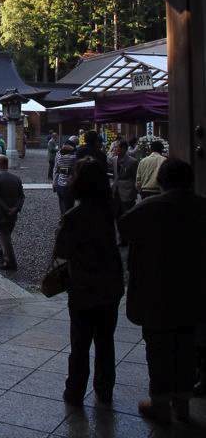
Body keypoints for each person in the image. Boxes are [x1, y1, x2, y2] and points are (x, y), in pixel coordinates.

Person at [119, 158, 206, 424]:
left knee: (158, 349)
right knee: (188, 346)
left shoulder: (146, 209)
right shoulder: (202, 207)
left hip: (156, 290)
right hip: (195, 290)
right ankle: (182, 403)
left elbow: (124, 230)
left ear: (161, 180)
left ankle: (160, 403)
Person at [53, 157, 124, 407]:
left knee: (80, 342)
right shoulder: (111, 211)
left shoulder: (75, 216)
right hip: (111, 284)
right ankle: (104, 389)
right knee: (106, 340)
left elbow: (62, 250)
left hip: (83, 285)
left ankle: (75, 389)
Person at [0, 155, 24, 270]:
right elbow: (22, 196)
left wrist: (7, 209)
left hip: (0, 214)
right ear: (7, 164)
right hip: (13, 214)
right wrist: (16, 208)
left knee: (5, 238)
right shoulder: (16, 178)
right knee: (5, 236)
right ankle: (2, 259)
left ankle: (11, 262)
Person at [109, 138, 138, 245]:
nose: (115, 149)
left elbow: (135, 177)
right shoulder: (114, 159)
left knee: (127, 215)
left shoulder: (133, 161)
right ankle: (121, 238)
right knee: (117, 216)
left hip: (128, 192)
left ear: (125, 148)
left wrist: (134, 191)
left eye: (117, 147)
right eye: (115, 147)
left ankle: (129, 237)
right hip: (116, 191)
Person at [52, 140, 77, 214]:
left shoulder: (59, 156)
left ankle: (62, 217)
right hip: (69, 184)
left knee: (61, 202)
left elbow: (55, 168)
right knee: (69, 205)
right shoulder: (73, 158)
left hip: (59, 182)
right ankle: (67, 220)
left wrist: (54, 182)